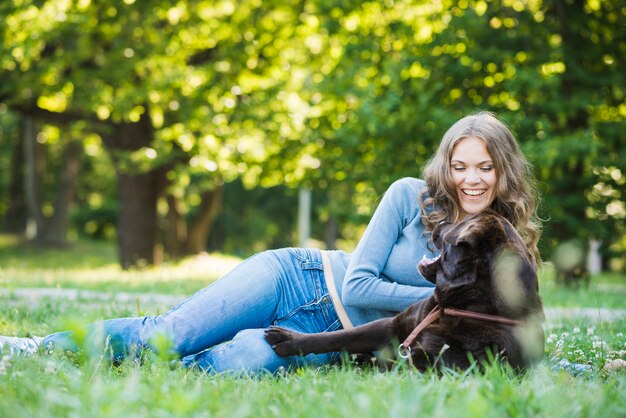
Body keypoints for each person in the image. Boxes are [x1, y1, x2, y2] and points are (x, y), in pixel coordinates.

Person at [0, 111, 541, 375]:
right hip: (299, 277)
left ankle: (134, 370)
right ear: (446, 166)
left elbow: (512, 334)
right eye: (461, 164)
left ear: (502, 172)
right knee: (171, 332)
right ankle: (35, 348)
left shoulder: (507, 248)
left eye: (485, 167)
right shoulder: (409, 196)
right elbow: (358, 281)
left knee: (242, 363)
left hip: (332, 337)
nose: (472, 179)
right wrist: (450, 303)